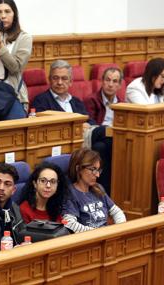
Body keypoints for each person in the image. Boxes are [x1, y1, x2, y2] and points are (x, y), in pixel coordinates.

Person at [63, 148, 126, 233]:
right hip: (88, 240)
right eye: (93, 169)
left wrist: (120, 228)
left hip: (106, 235)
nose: (97, 175)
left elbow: (116, 211)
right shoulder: (70, 193)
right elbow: (69, 223)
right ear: (78, 169)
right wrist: (97, 232)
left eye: (98, 170)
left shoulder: (97, 188)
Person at [84, 67, 124, 196]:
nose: (111, 84)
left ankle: (104, 191)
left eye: (115, 81)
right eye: (107, 80)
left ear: (119, 85)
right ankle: (106, 192)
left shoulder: (122, 104)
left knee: (100, 147)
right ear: (102, 81)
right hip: (97, 137)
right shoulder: (92, 100)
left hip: (112, 141)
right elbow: (90, 124)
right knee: (101, 144)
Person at [32, 59, 95, 127]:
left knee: (104, 131)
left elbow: (90, 121)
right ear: (49, 80)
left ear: (70, 82)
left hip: (83, 134)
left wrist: (87, 125)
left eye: (64, 78)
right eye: (55, 78)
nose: (59, 82)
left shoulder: (77, 101)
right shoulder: (41, 101)